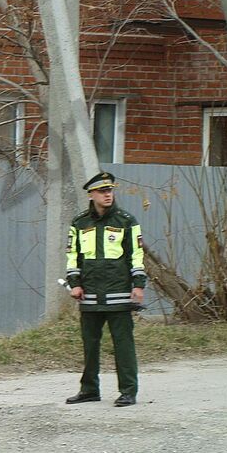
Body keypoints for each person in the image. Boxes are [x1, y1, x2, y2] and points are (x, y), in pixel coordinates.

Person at [64, 171, 146, 407]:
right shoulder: (79, 223)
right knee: (90, 345)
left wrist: (138, 286)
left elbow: (136, 255)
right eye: (102, 191)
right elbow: (72, 256)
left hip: (119, 293)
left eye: (110, 190)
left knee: (123, 345)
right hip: (89, 294)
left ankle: (128, 391)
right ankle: (89, 389)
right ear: (91, 195)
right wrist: (75, 283)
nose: (108, 195)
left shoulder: (126, 220)